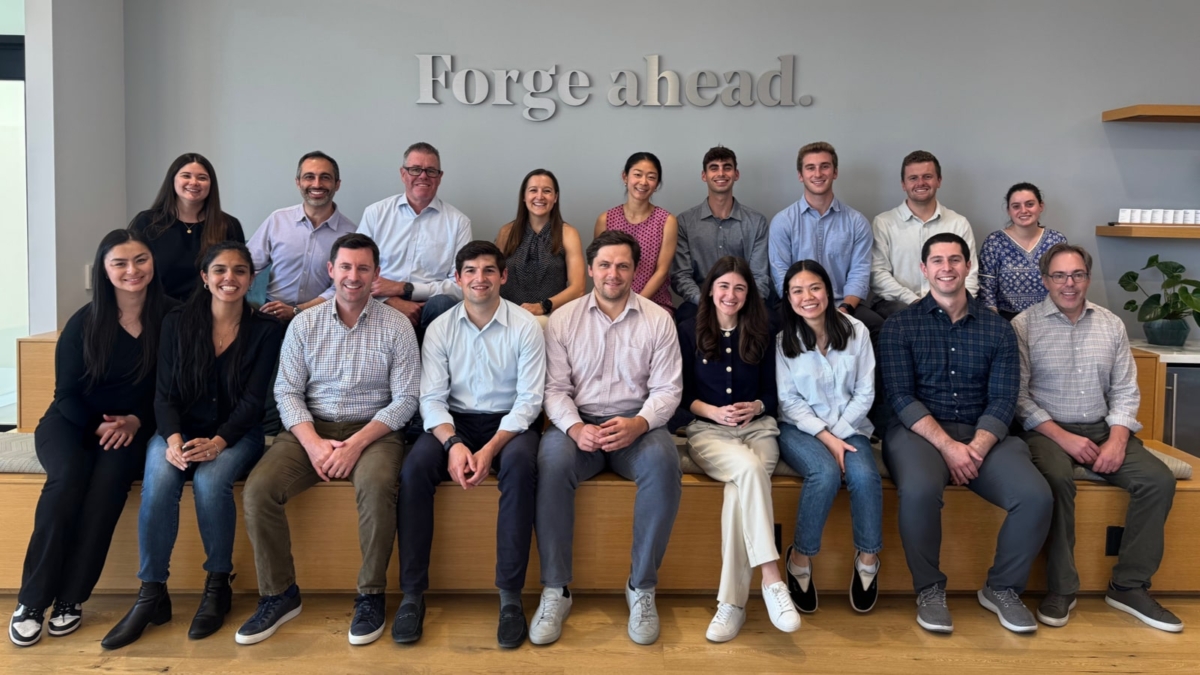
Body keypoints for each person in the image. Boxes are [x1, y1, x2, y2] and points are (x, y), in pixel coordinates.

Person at [235, 233, 419, 646]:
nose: (354, 277)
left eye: (364, 268)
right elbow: (287, 392)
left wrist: (355, 445)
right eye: (346, 267)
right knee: (259, 490)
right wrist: (315, 444)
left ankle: (371, 595)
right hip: (309, 428)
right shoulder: (304, 324)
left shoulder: (397, 326)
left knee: (376, 486)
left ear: (376, 275)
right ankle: (279, 595)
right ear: (331, 270)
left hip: (374, 431)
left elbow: (407, 398)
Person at [102, 242, 283, 649]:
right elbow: (163, 394)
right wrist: (174, 439)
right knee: (161, 480)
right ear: (204, 278)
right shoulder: (176, 322)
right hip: (177, 430)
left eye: (240, 271)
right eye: (219, 270)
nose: (229, 279)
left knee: (210, 481)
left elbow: (254, 402)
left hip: (236, 434)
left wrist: (219, 442)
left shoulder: (266, 331)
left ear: (251, 279)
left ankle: (218, 583)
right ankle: (152, 593)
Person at [880, 232, 1052, 635]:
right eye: (937, 261)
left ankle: (1002, 588)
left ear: (967, 266)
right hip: (919, 433)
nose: (946, 268)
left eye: (954, 260)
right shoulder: (899, 326)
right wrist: (948, 447)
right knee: (920, 491)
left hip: (984, 434)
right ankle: (929, 590)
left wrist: (973, 446)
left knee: (1036, 496)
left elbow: (1004, 398)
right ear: (924, 269)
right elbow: (902, 397)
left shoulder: (998, 329)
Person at [10, 230, 171, 648]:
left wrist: (137, 421)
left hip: (134, 428)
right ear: (104, 269)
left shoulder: (171, 318)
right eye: (120, 263)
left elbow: (172, 390)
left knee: (106, 492)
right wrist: (97, 426)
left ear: (153, 264)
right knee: (67, 483)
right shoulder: (86, 320)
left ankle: (70, 598)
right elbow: (65, 394)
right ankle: (31, 601)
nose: (132, 270)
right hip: (71, 422)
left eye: (140, 260)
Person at [1013, 243, 1182, 632]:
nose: (1069, 283)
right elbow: (1019, 397)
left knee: (1157, 481)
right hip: (1047, 431)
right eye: (1059, 275)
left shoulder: (1111, 324)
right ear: (1045, 281)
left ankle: (1128, 586)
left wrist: (1118, 439)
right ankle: (1061, 588)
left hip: (1103, 427)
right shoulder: (1024, 325)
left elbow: (1125, 391)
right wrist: (1064, 439)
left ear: (1087, 278)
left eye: (1077, 275)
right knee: (1055, 480)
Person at [531, 230, 683, 646]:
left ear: (636, 270)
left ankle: (641, 587)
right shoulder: (563, 320)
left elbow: (668, 390)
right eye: (604, 264)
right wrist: (576, 427)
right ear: (591, 269)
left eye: (622, 265)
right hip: (580, 425)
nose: (612, 273)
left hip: (638, 427)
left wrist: (639, 423)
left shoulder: (658, 319)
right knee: (551, 463)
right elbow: (554, 389)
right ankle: (555, 589)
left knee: (664, 464)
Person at [395, 241, 545, 648]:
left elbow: (530, 401)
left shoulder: (526, 327)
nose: (480, 279)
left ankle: (510, 598)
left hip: (509, 425)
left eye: (489, 271)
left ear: (503, 277)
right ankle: (411, 595)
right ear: (458, 278)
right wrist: (454, 443)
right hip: (453, 423)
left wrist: (490, 448)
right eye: (471, 271)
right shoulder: (440, 327)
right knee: (412, 469)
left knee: (520, 468)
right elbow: (431, 399)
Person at [679, 256, 800, 642]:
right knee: (747, 472)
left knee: (738, 492)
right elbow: (679, 398)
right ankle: (772, 578)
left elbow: (771, 393)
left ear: (749, 295)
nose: (731, 295)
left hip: (759, 431)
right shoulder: (686, 331)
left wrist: (758, 407)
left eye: (740, 288)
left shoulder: (762, 332)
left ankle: (731, 606)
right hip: (707, 432)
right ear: (710, 290)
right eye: (724, 286)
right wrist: (712, 410)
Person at [776, 260, 882, 615]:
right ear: (788, 298)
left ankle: (868, 560)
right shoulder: (783, 341)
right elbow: (788, 402)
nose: (808, 297)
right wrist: (824, 437)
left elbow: (866, 392)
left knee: (865, 476)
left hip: (850, 426)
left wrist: (836, 435)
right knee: (823, 474)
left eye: (815, 287)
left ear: (828, 289)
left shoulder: (857, 331)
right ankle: (799, 561)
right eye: (797, 291)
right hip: (799, 430)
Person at [769, 142, 883, 337]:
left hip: (842, 303)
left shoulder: (857, 222)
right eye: (810, 168)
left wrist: (845, 309)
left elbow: (859, 272)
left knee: (878, 326)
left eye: (825, 166)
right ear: (800, 175)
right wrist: (803, 306)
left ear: (835, 172)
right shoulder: (783, 221)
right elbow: (780, 273)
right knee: (767, 326)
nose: (818, 173)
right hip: (797, 304)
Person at [358, 142, 472, 329]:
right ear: (403, 174)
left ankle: (431, 357)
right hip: (380, 302)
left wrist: (406, 289)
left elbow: (461, 285)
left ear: (440, 177)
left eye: (431, 171)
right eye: (415, 170)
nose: (423, 176)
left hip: (430, 309)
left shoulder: (459, 222)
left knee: (442, 304)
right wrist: (391, 300)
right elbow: (357, 270)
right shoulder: (375, 214)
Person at [249, 150, 357, 320]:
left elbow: (343, 286)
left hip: (322, 317)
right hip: (272, 314)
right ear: (298, 182)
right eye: (309, 177)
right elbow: (248, 265)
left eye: (325, 177)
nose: (317, 184)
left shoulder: (350, 234)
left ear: (337, 184)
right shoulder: (278, 220)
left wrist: (298, 310)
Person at [870, 150, 979, 319]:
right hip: (898, 304)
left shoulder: (958, 223)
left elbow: (970, 273)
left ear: (939, 181)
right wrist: (915, 301)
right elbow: (878, 274)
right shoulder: (884, 223)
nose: (920, 183)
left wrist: (959, 303)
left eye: (927, 177)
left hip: (950, 302)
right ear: (903, 184)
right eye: (913, 178)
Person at [671, 146, 771, 325]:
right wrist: (707, 302)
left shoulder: (756, 222)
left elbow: (760, 276)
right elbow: (681, 275)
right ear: (704, 175)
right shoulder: (685, 222)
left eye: (727, 167)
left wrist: (738, 302)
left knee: (770, 321)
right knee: (684, 322)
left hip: (744, 301)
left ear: (736, 174)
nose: (721, 173)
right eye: (714, 168)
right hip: (700, 302)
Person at [129, 153, 245, 302]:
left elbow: (239, 274)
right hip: (157, 311)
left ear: (211, 184)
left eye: (202, 178)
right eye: (186, 176)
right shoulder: (147, 222)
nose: (194, 182)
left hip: (211, 312)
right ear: (173, 180)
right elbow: (132, 270)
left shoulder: (228, 225)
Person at [495, 169, 585, 328]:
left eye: (547, 191)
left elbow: (578, 288)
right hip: (507, 316)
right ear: (524, 196)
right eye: (533, 190)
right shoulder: (506, 232)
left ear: (555, 197)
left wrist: (543, 306)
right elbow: (494, 276)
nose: (540, 196)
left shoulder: (568, 233)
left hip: (551, 317)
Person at [595, 152, 678, 315]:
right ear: (625, 177)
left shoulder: (667, 221)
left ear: (657, 184)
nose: (643, 182)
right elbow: (600, 266)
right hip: (611, 300)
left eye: (651, 177)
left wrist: (634, 304)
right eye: (637, 174)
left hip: (653, 302)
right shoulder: (605, 220)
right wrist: (615, 304)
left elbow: (661, 272)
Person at [978, 182, 1068, 319]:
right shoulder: (994, 242)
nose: (1024, 210)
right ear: (1009, 210)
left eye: (1030, 204)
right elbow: (986, 289)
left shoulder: (1056, 241)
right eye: (1016, 206)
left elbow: (1064, 283)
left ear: (1041, 206)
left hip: (1050, 319)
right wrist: (996, 325)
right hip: (1006, 320)